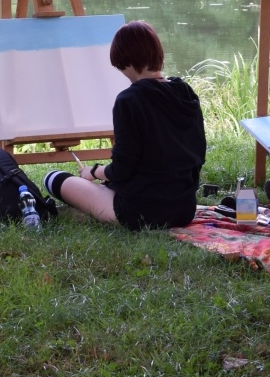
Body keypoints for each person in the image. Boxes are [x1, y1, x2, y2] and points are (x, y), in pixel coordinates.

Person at [41, 20, 205, 230]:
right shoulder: (186, 92)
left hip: (141, 212)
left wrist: (93, 172)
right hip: (184, 209)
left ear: (126, 61)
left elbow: (122, 168)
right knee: (110, 185)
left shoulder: (130, 99)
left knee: (53, 178)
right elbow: (197, 154)